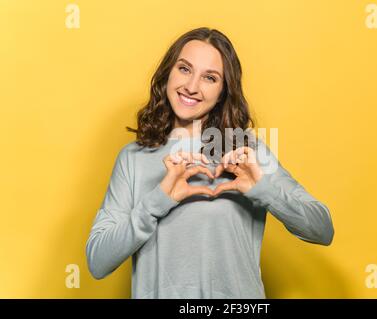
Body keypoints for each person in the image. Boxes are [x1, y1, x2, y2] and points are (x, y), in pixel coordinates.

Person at [85, 27, 334, 299]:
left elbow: (322, 230)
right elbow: (98, 261)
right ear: (168, 72)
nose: (191, 87)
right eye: (184, 69)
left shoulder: (246, 153)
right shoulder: (133, 158)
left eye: (210, 78)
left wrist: (264, 190)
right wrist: (157, 201)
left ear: (223, 91)